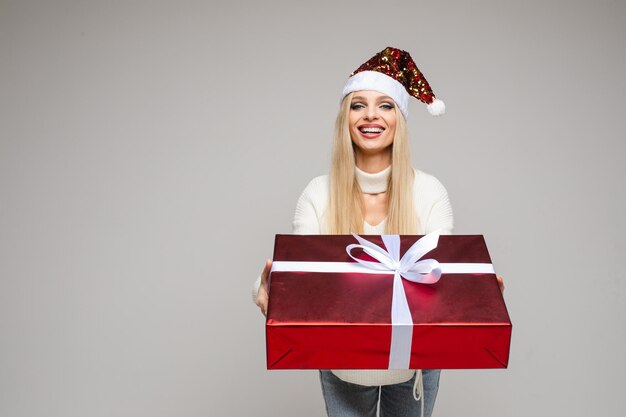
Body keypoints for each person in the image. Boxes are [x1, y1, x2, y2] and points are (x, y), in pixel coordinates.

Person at [253, 47, 504, 417]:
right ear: (345, 118)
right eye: (358, 105)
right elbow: (300, 280)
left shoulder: (428, 191)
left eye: (386, 105)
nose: (371, 115)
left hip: (415, 365)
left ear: (400, 119)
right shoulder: (317, 193)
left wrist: (475, 295)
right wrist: (269, 293)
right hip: (341, 365)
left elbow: (439, 279)